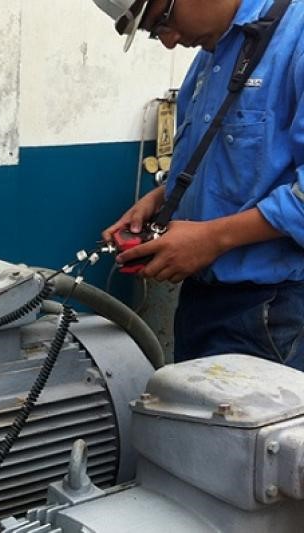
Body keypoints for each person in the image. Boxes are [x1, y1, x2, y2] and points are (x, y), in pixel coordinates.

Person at [94, 0, 304, 369]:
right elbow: (226, 163)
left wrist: (213, 239)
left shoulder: (296, 35)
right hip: (201, 302)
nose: (169, 41)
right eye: (154, 33)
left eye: (163, 21)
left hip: (271, 311)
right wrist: (163, 198)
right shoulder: (211, 56)